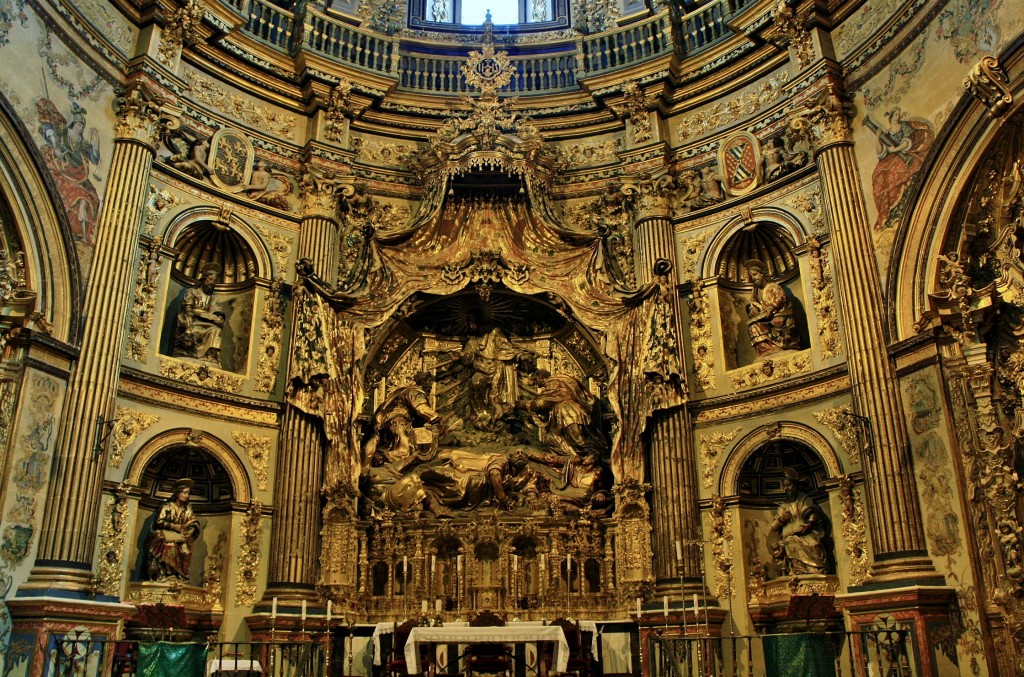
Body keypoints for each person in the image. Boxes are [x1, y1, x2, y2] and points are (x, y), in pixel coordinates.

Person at [382, 449, 537, 516]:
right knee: (432, 475)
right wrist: (502, 497)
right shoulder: (501, 461)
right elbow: (494, 473)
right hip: (466, 478)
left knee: (438, 481)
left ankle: (433, 503)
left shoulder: (525, 472)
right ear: (510, 456)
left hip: (471, 484)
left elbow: (528, 485)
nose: (520, 454)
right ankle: (431, 503)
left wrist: (531, 496)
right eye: (517, 452)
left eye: (523, 454)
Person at [454, 324, 537, 430]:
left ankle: (500, 421)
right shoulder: (472, 341)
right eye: (468, 321)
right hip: (481, 370)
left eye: (472, 321)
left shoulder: (495, 333)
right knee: (475, 382)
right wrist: (460, 356)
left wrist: (521, 356)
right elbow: (468, 355)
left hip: (498, 369)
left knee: (497, 396)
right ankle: (482, 417)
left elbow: (508, 349)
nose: (470, 325)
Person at [363, 371, 442, 470]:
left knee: (376, 440)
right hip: (398, 421)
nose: (430, 389)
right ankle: (382, 460)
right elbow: (422, 409)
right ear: (424, 383)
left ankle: (368, 464)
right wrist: (436, 417)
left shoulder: (401, 391)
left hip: (381, 422)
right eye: (429, 385)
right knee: (405, 451)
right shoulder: (415, 392)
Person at [519, 370, 602, 458]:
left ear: (540, 377)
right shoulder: (559, 381)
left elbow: (543, 402)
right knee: (552, 438)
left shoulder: (554, 382)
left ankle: (590, 456)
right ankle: (576, 458)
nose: (537, 385)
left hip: (569, 413)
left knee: (577, 439)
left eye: (536, 381)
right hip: (566, 414)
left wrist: (525, 404)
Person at [766, 468, 828, 575]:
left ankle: (816, 569)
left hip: (808, 533)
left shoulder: (804, 500)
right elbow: (774, 527)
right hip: (790, 535)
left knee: (815, 544)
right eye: (785, 486)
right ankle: (799, 570)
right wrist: (782, 519)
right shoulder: (783, 507)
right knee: (790, 541)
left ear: (795, 486)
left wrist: (809, 524)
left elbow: (815, 513)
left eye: (789, 485)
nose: (787, 489)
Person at [145, 478, 201, 581]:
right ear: (178, 493)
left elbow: (194, 523)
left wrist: (189, 533)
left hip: (180, 537)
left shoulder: (187, 510)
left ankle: (180, 576)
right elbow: (159, 521)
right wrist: (173, 526)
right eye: (184, 493)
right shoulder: (167, 507)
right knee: (170, 547)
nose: (187, 496)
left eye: (188, 493)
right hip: (167, 534)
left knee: (186, 552)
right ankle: (166, 574)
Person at [745, 259, 799, 357]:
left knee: (776, 322)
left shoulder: (773, 286)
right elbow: (755, 304)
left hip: (780, 315)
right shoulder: (756, 292)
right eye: (751, 276)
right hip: (766, 319)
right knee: (753, 327)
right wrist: (753, 310)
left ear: (762, 274)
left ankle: (780, 346)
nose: (753, 278)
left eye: (755, 274)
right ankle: (766, 349)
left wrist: (772, 308)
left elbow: (781, 298)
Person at [172, 262, 225, 364]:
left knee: (216, 330)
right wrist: (189, 316)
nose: (211, 283)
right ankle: (187, 352)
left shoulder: (213, 298)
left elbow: (217, 310)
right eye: (210, 279)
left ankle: (210, 355)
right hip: (194, 319)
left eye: (214, 281)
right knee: (190, 328)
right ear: (204, 279)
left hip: (207, 323)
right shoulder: (192, 291)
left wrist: (218, 317)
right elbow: (187, 305)